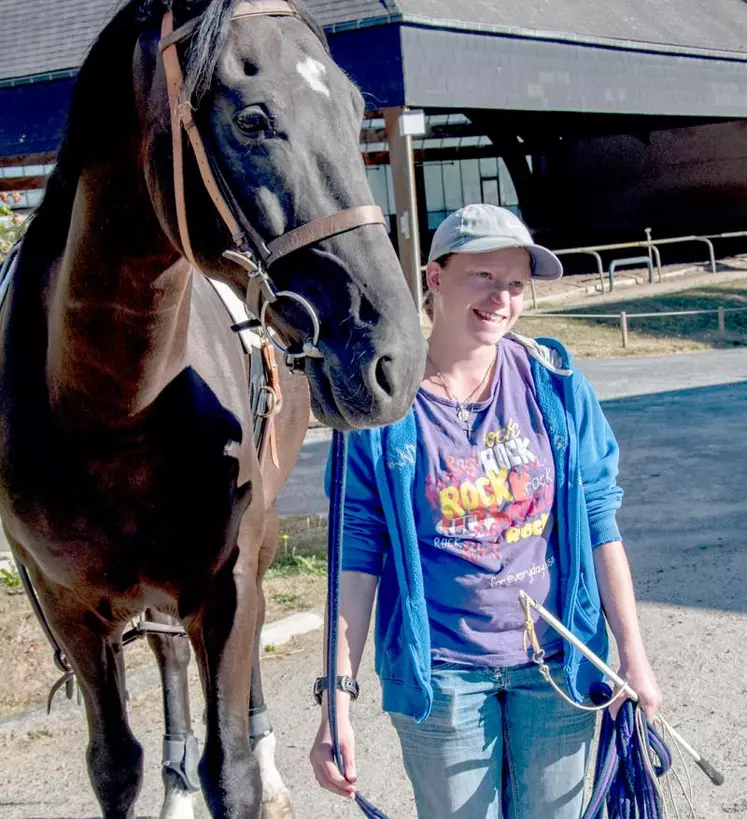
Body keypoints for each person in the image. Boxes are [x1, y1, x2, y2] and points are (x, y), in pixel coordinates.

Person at [309, 204, 663, 818]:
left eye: (517, 283)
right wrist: (335, 700)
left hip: (556, 669)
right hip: (442, 677)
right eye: (484, 277)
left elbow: (601, 521)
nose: (503, 298)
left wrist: (633, 655)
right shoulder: (385, 409)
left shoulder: (554, 385)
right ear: (436, 278)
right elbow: (356, 557)